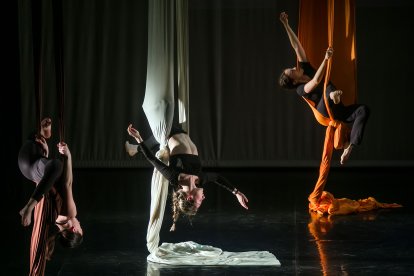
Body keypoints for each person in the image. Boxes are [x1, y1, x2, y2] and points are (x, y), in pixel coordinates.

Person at [278, 12, 370, 165]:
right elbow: (316, 80)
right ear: (294, 81)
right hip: (325, 112)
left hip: (337, 109)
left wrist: (286, 24)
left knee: (363, 110)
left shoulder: (305, 67)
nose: (295, 66)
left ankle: (349, 147)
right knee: (327, 90)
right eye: (292, 71)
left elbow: (296, 46)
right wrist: (325, 59)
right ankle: (333, 96)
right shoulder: (300, 89)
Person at [126, 123, 249, 231]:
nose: (204, 197)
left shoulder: (174, 177)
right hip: (182, 132)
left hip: (168, 132)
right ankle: (134, 149)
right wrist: (236, 192)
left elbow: (152, 159)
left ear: (190, 197)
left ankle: (135, 148)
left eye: (199, 201)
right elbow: (217, 178)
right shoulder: (200, 179)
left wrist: (139, 138)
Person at [18, 118, 83, 257]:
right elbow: (46, 185)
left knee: (57, 165)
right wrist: (45, 156)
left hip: (33, 161)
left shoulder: (70, 214)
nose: (79, 223)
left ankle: (28, 206)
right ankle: (43, 133)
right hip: (28, 166)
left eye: (80, 227)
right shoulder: (51, 220)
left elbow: (67, 184)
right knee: (37, 141)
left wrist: (68, 156)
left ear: (74, 229)